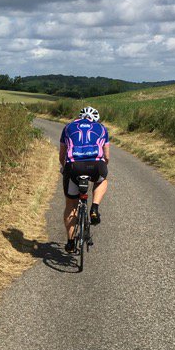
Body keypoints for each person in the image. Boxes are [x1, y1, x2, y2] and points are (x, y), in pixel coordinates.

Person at [58, 106, 110, 253]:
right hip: (96, 165)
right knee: (102, 180)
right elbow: (107, 157)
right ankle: (94, 207)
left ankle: (70, 242)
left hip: (73, 166)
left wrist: (65, 169)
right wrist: (102, 167)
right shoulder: (102, 128)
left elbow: (62, 156)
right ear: (96, 119)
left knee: (71, 205)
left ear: (79, 118)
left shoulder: (68, 127)